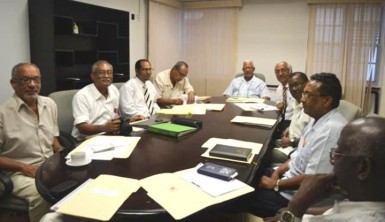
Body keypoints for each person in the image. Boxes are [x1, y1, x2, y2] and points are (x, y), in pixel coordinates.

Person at [248, 73, 348, 218]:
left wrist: (275, 184)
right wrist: (277, 173)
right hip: (288, 181)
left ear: (326, 100)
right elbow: (297, 155)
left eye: (307, 95)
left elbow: (312, 181)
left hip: (298, 198)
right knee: (250, 171)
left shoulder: (331, 130)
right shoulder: (317, 120)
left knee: (242, 195)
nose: (302, 99)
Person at [280, 116, 385, 221]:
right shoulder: (363, 199)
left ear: (363, 168)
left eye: (338, 154)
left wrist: (295, 207)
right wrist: (302, 209)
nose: (332, 160)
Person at [0, 63, 63, 222]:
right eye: (25, 80)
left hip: (48, 165)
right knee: (43, 194)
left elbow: (53, 139)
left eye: (36, 79)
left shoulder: (50, 104)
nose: (32, 85)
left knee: (78, 183)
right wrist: (24, 167)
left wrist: (64, 154)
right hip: (17, 172)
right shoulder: (3, 113)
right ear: (13, 83)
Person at [72, 60, 121, 141]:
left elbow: (116, 115)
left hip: (111, 136)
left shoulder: (114, 90)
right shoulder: (82, 96)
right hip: (88, 139)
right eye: (102, 73)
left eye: (109, 73)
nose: (106, 76)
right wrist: (104, 128)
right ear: (93, 76)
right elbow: (82, 128)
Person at [269, 72, 311, 163]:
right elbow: (298, 121)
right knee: (264, 143)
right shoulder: (296, 102)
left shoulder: (311, 107)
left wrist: (291, 141)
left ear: (307, 83)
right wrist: (289, 128)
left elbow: (311, 140)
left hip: (296, 148)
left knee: (264, 154)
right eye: (291, 86)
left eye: (297, 85)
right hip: (288, 140)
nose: (294, 89)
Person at [274, 61, 294, 132]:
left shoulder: (295, 87)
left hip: (293, 122)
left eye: (283, 70)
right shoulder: (279, 88)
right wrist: (278, 104)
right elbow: (278, 103)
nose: (280, 73)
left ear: (290, 71)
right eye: (277, 71)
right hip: (283, 119)